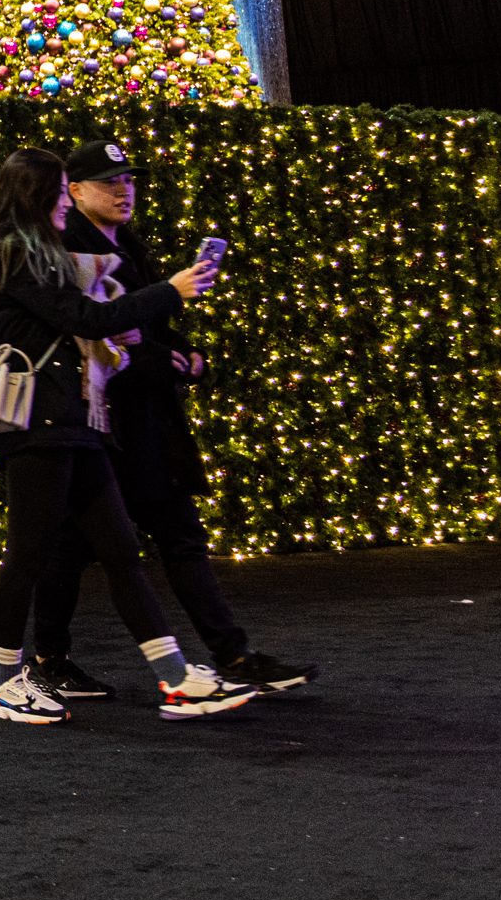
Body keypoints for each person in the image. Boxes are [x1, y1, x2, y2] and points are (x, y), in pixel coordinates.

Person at [0, 146, 259, 724]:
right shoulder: (10, 257)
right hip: (36, 425)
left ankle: (177, 679)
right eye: (60, 194)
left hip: (76, 422)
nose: (66, 204)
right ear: (36, 197)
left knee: (122, 554)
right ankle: (3, 682)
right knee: (28, 555)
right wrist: (169, 290)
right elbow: (87, 320)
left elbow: (89, 320)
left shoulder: (39, 257)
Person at [25, 138, 311, 702]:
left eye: (128, 179)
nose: (124, 189)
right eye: (110, 181)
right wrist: (163, 350)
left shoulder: (123, 245)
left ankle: (219, 655)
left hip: (142, 423)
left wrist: (184, 354)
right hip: (107, 426)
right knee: (94, 547)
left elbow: (144, 328)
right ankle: (60, 662)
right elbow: (98, 330)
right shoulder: (72, 250)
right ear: (74, 191)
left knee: (133, 543)